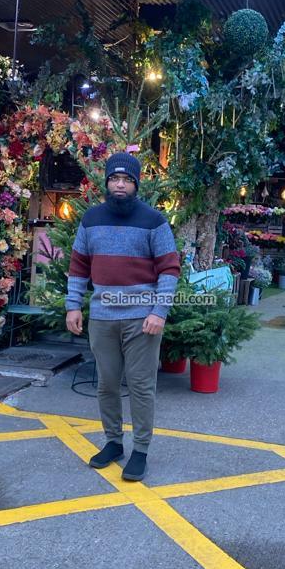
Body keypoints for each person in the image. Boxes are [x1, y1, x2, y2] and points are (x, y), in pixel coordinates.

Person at [65, 152, 180, 481]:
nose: (120, 185)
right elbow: (78, 267)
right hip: (102, 318)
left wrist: (159, 311)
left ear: (136, 184)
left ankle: (140, 450)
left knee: (142, 387)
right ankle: (114, 442)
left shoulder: (153, 221)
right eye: (114, 179)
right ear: (106, 182)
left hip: (142, 320)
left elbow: (169, 270)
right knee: (107, 384)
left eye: (127, 180)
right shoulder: (91, 220)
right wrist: (73, 305)